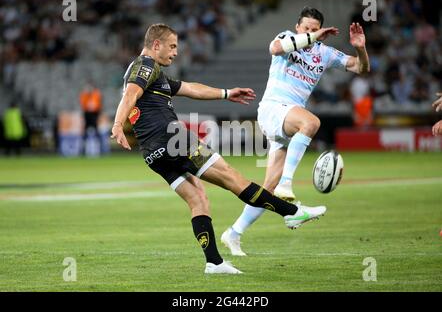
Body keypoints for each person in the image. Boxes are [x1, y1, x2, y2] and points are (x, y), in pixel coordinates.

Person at [111, 23, 329, 274]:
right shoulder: (145, 65)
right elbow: (130, 95)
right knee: (233, 178)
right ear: (156, 45)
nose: (175, 52)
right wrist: (117, 125)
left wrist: (226, 93)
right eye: (171, 46)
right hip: (174, 139)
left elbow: (190, 88)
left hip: (153, 153)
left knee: (198, 199)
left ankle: (214, 262)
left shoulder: (153, 74)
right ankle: (293, 212)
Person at [222, 7, 370, 256]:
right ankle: (288, 184)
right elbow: (275, 49)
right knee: (311, 123)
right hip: (273, 109)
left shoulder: (325, 53)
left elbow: (361, 68)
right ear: (298, 27)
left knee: (267, 187)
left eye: (315, 29)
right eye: (306, 29)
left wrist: (360, 48)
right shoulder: (285, 37)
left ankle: (234, 233)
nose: (310, 32)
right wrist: (313, 37)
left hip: (287, 117)